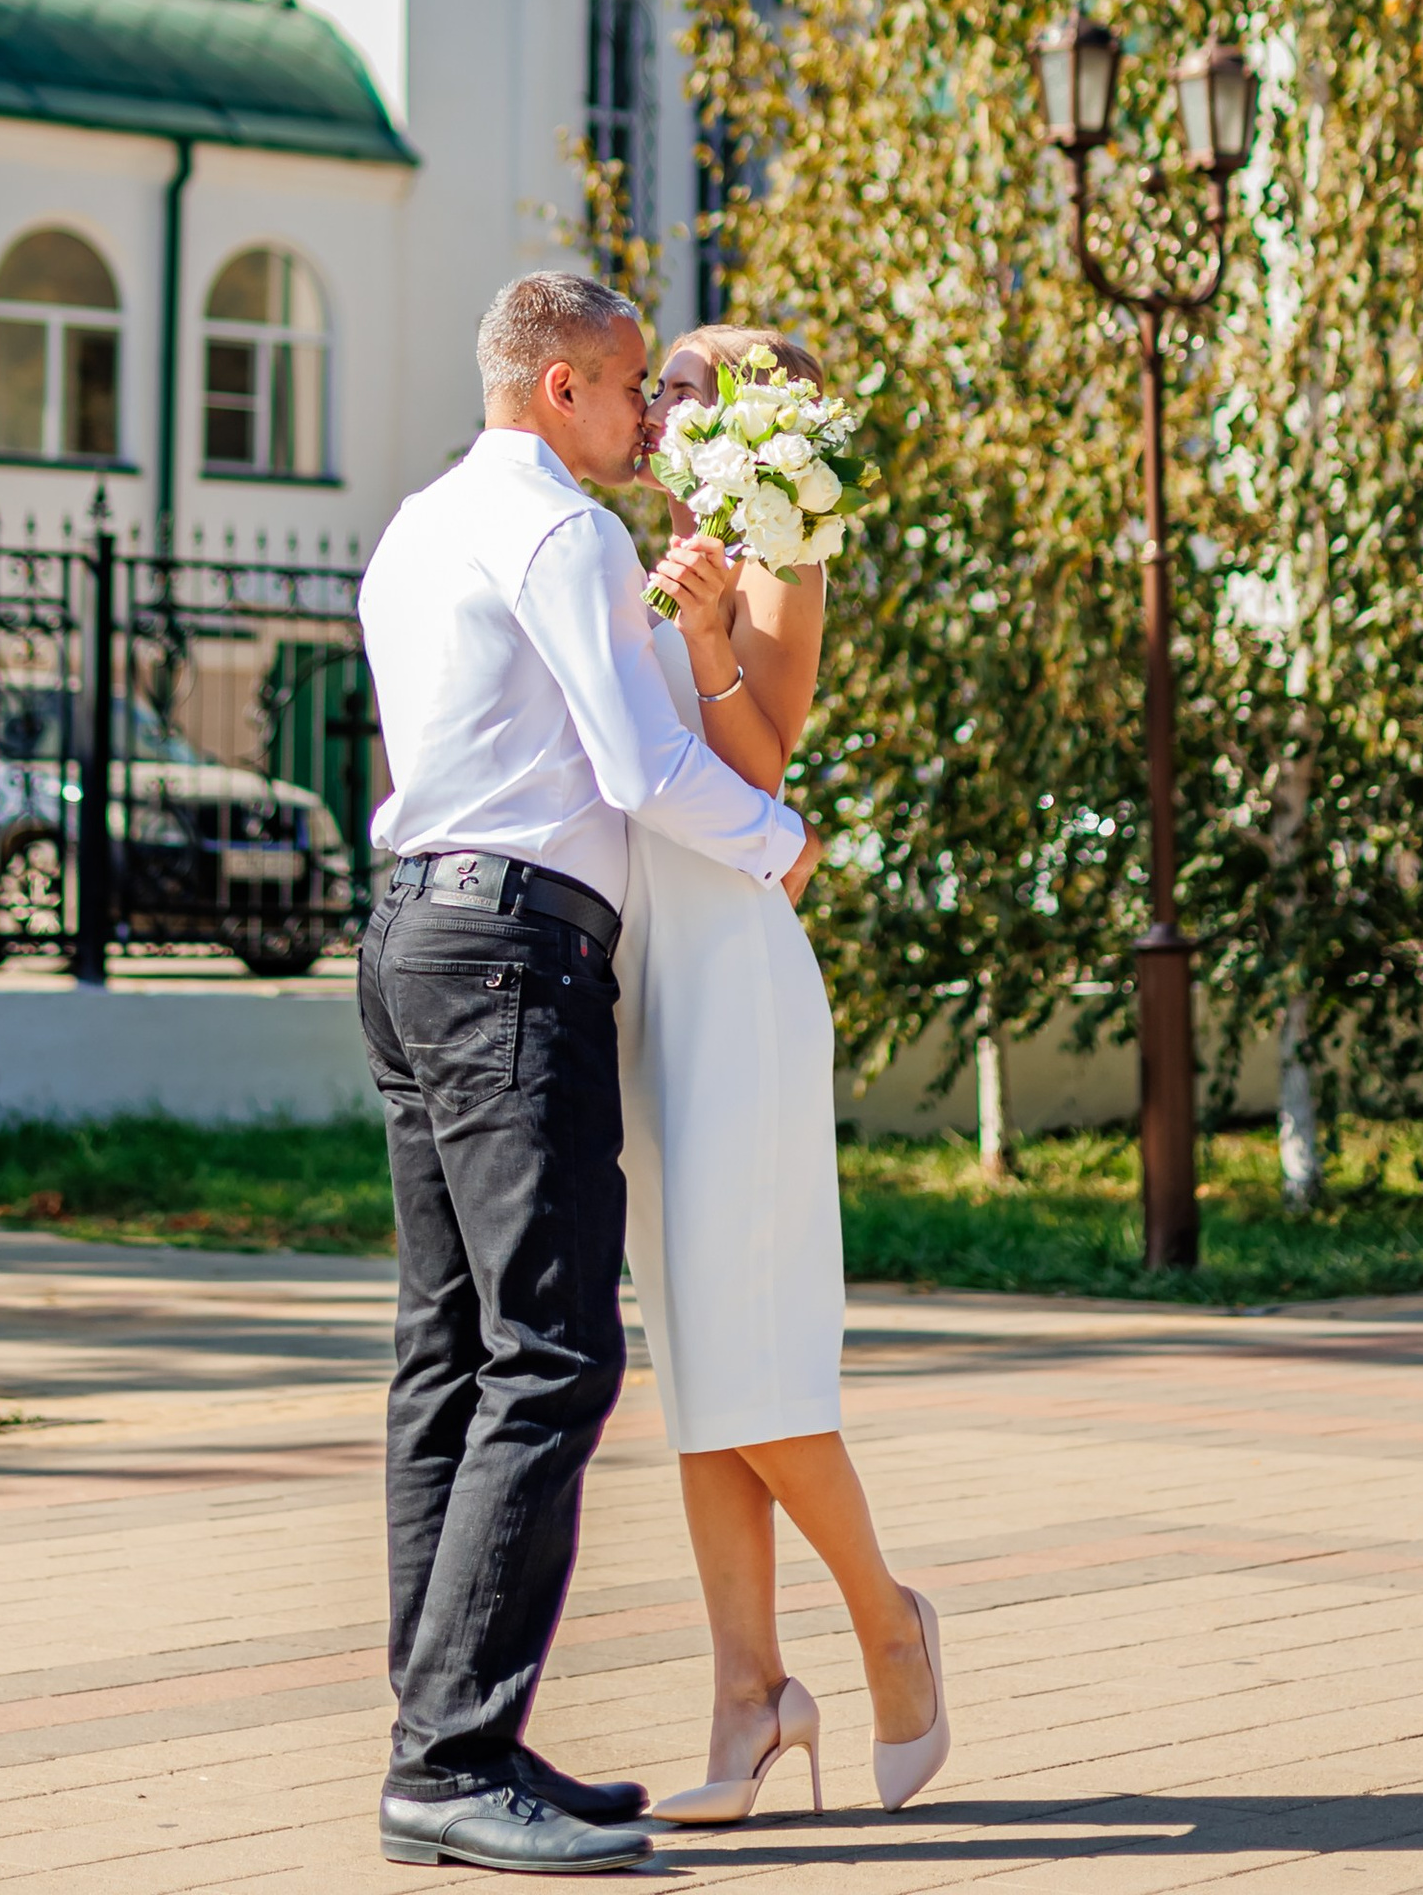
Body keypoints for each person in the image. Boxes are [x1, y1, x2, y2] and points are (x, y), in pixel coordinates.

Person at [354, 271, 812, 1876]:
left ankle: (444, 1742)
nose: (645, 420)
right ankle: (453, 1754)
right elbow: (636, 763)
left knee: (454, 1354)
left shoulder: (416, 527)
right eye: (627, 390)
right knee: (554, 1354)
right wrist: (779, 842)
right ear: (559, 388)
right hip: (503, 959)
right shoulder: (567, 532)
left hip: (410, 937)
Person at [622, 320, 948, 1827]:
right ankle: (749, 1696)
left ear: (758, 416)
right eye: (664, 380)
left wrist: (700, 642)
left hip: (739, 985)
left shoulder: (779, 554)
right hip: (645, 979)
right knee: (693, 1361)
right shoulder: (648, 546)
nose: (664, 399)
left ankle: (888, 1619)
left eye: (691, 382)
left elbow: (761, 775)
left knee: (752, 1355)